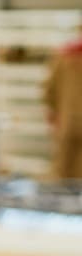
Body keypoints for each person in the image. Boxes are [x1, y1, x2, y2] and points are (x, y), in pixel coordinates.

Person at [43, 33, 82, 179]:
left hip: (68, 122)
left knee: (65, 172)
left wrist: (55, 113)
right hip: (68, 122)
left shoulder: (64, 55)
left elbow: (49, 90)